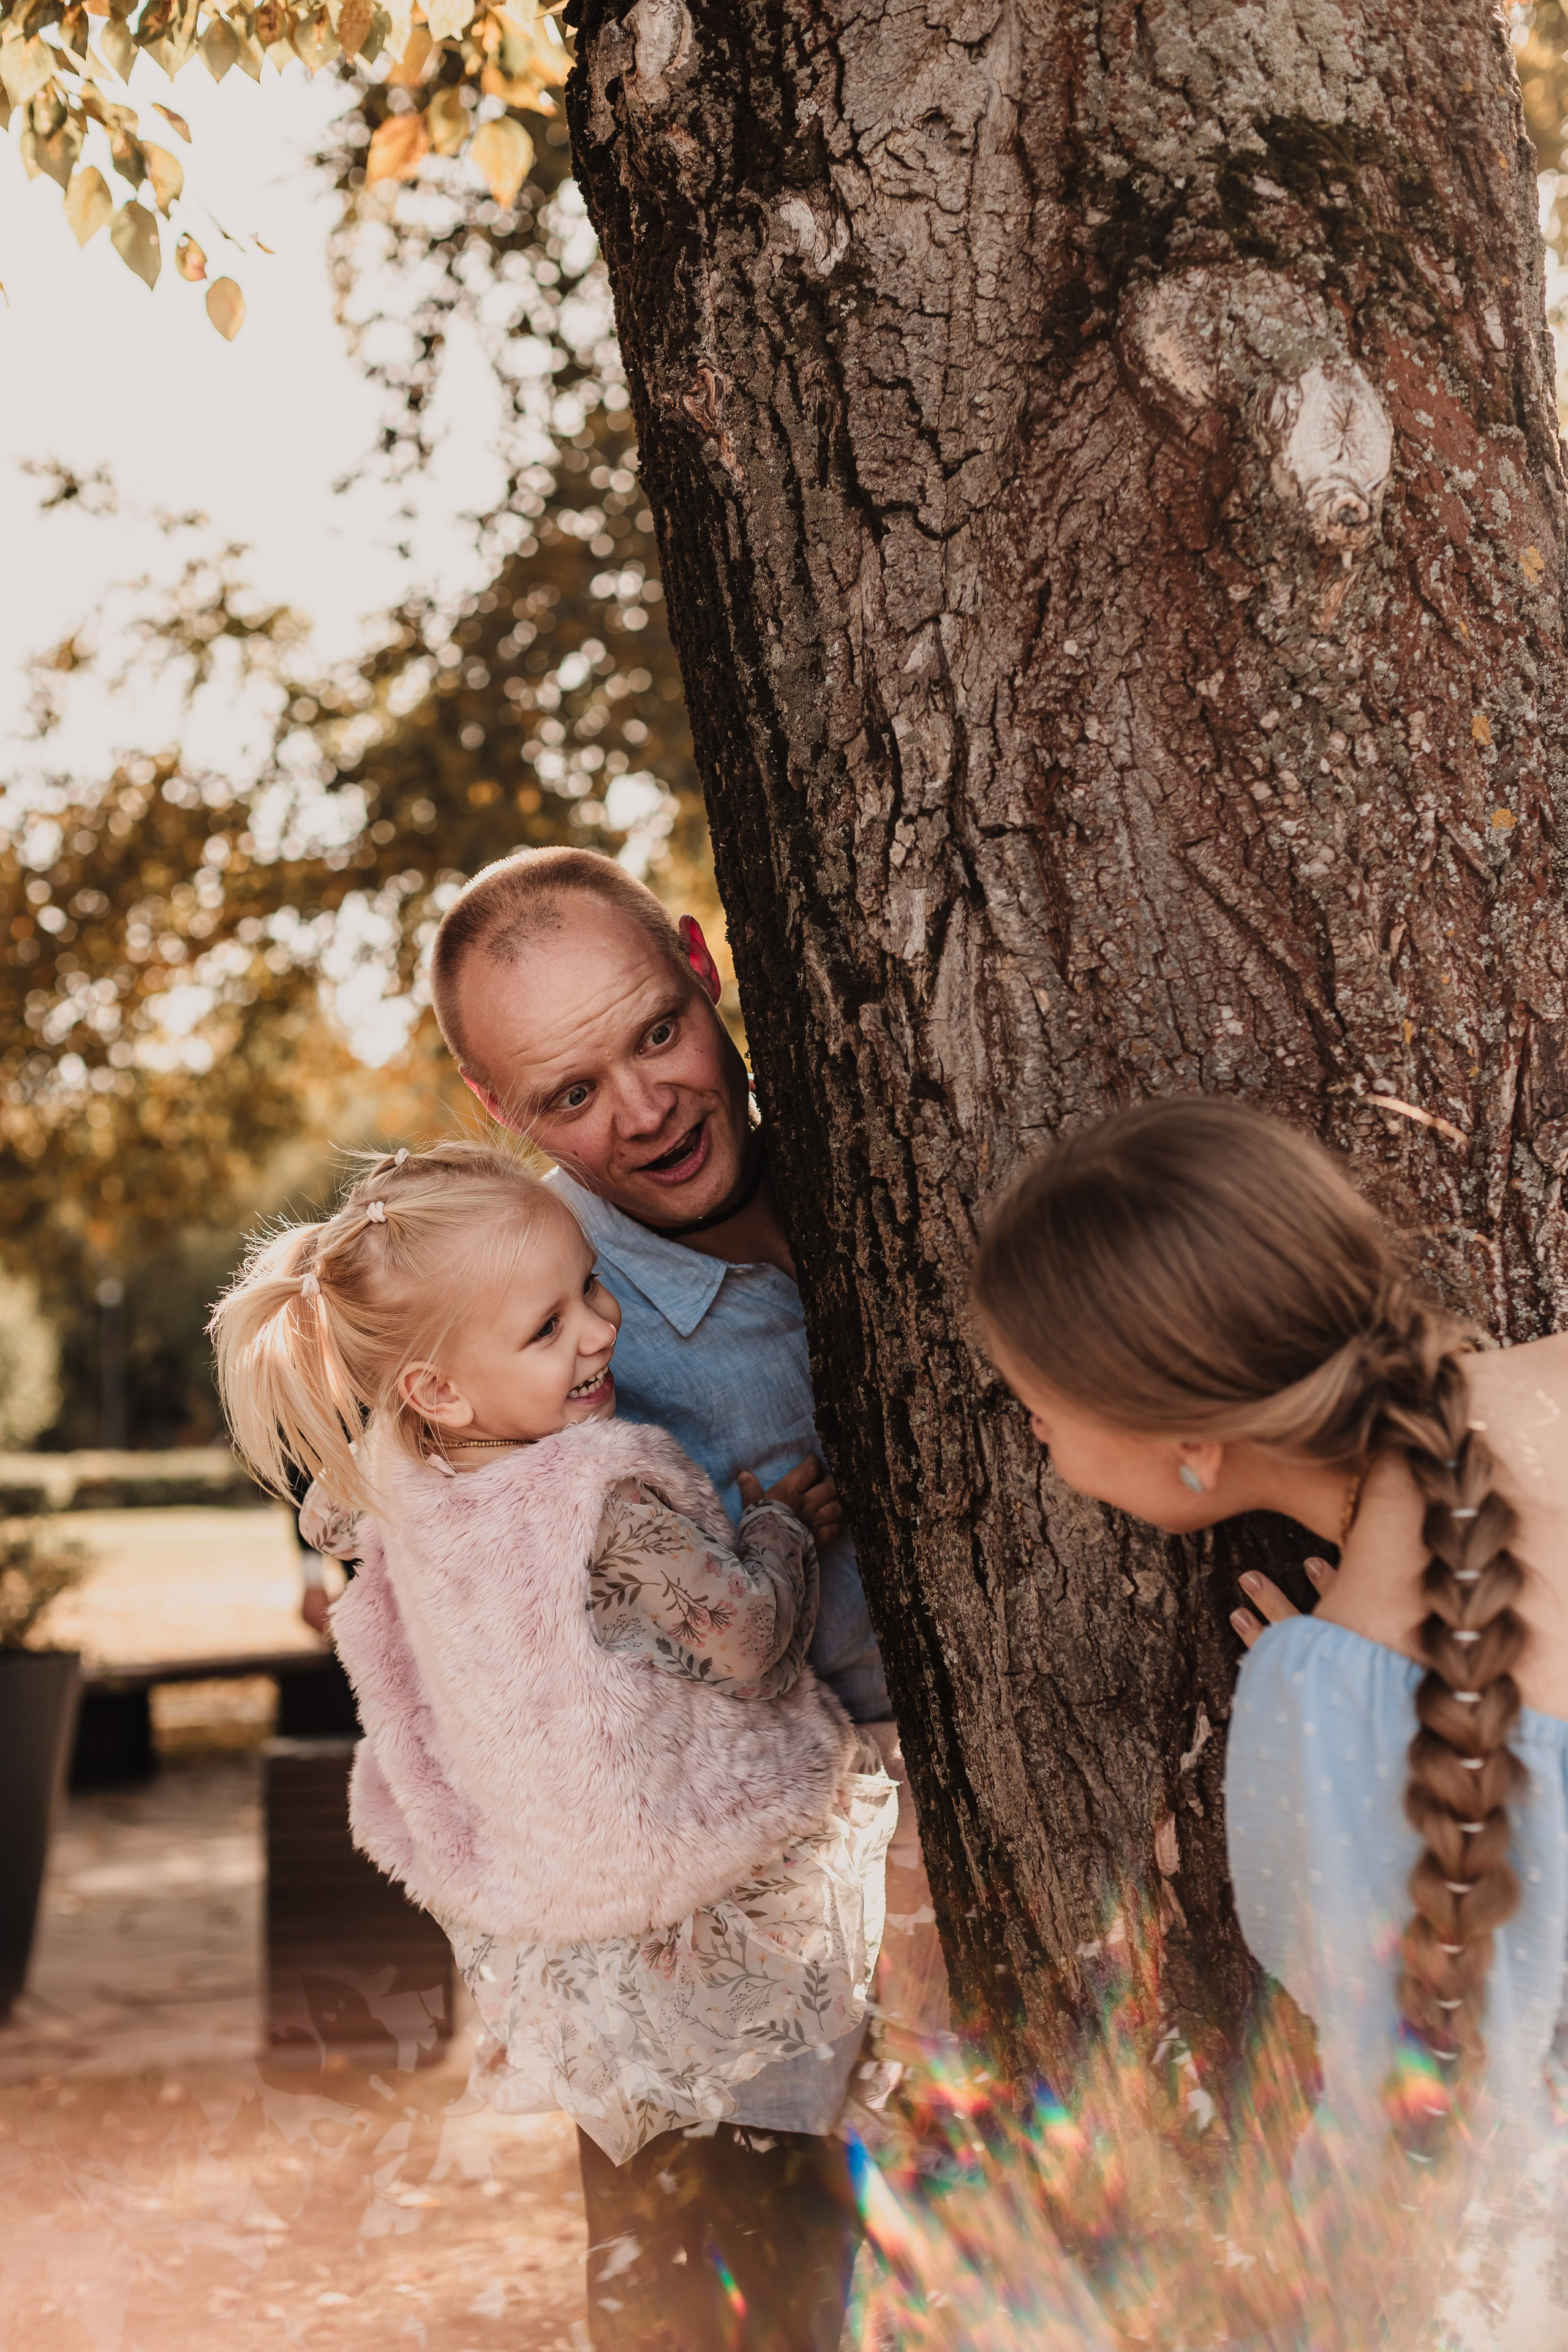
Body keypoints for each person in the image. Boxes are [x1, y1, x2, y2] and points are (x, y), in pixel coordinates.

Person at [210, 1145, 896, 2282]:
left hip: (565, 1934)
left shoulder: (399, 1484)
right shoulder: (599, 1506)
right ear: (434, 1386)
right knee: (778, 2221)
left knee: (638, 2227)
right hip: (707, 1906)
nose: (598, 1328)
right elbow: (749, 1643)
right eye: (546, 1327)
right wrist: (779, 1530)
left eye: (591, 1284)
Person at [428, 848, 949, 2345]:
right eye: (568, 1094)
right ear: (496, 1113)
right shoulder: (528, 1321)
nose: (643, 1108)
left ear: (705, 970)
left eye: (654, 1033)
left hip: (968, 1898)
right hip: (726, 1966)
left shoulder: (878, 1128)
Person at [970, 1096, 1568, 2345]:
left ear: (1188, 1440)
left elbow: (1397, 2073)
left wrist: (1342, 1692)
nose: (1029, 1432)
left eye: (1036, 1404)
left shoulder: (1322, 1698)